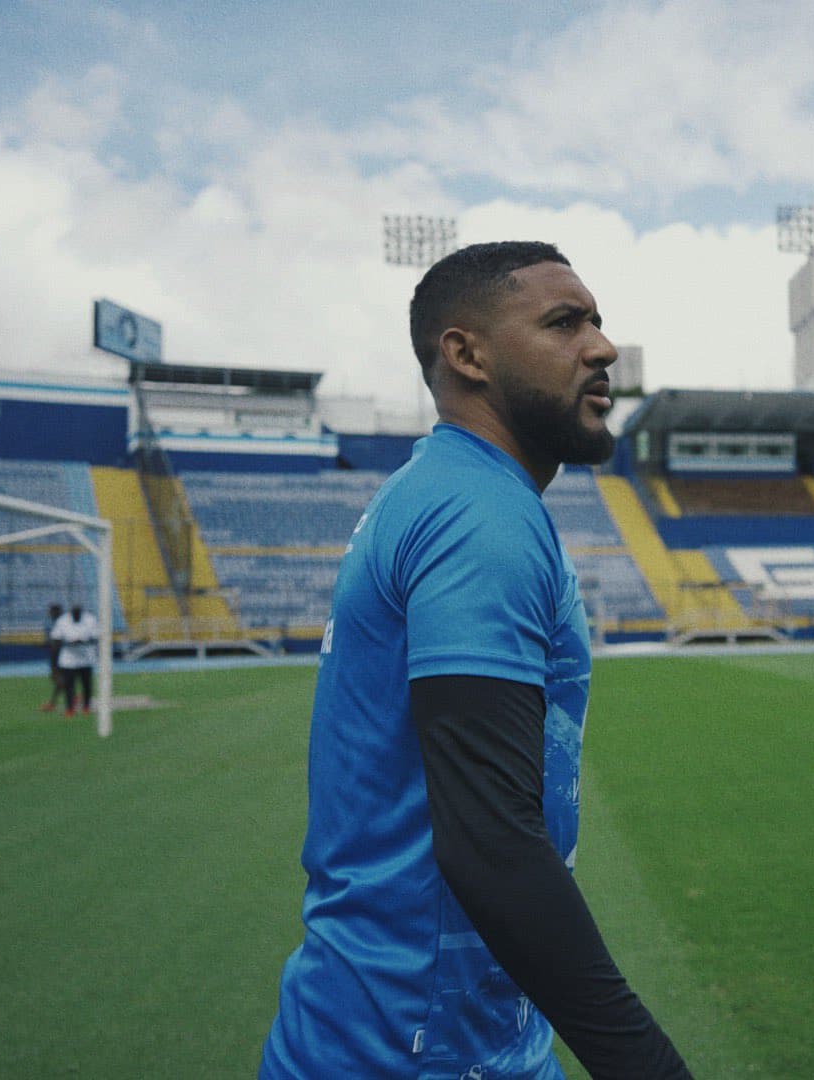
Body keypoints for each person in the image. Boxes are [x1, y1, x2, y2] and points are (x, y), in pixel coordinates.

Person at [262, 242, 690, 1079]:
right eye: (564, 323)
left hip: (444, 1031)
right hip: (412, 1049)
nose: (601, 347)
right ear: (466, 354)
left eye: (598, 322)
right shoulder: (476, 514)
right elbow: (491, 841)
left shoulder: (447, 490)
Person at [50, 604, 98, 715]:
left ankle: (86, 707)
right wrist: (68, 643)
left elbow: (96, 638)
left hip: (86, 657)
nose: (76, 615)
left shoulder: (90, 620)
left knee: (86, 684)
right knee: (69, 685)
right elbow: (55, 639)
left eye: (78, 613)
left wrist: (82, 641)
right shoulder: (62, 621)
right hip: (68, 659)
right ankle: (70, 709)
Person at [40, 603, 64, 711]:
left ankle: (52, 703)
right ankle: (73, 696)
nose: (49, 614)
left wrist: (47, 645)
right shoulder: (60, 623)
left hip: (59, 656)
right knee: (58, 679)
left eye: (50, 611)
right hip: (59, 655)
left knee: (57, 678)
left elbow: (57, 643)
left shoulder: (60, 624)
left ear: (55, 612)